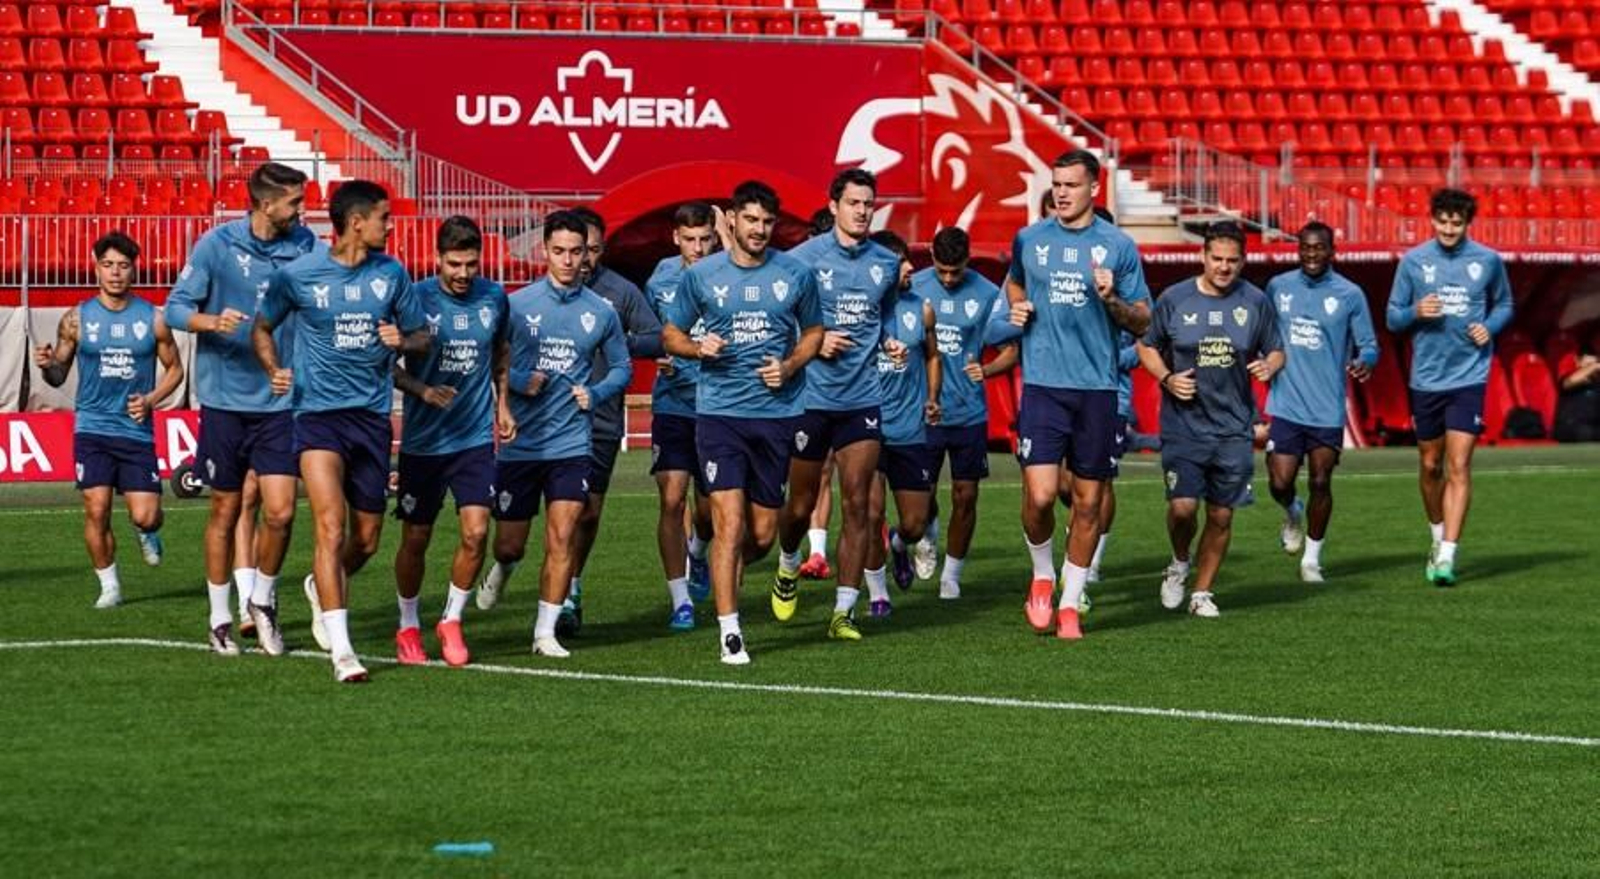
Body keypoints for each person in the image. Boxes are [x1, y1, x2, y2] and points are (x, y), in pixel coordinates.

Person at [252, 179, 428, 683]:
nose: (390, 226)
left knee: (366, 540)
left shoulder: (392, 274)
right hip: (316, 417)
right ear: (356, 222)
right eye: (384, 218)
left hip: (371, 419)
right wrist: (274, 369)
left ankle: (317, 585)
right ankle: (344, 653)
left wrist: (403, 340)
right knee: (329, 527)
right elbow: (262, 327)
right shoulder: (299, 275)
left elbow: (422, 336)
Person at [661, 179, 823, 665]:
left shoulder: (795, 274)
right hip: (719, 416)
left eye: (767, 221)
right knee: (729, 526)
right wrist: (697, 348)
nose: (759, 229)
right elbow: (671, 334)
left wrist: (790, 366)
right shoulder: (701, 276)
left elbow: (814, 331)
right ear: (730, 220)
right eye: (751, 219)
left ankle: (715, 562)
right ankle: (730, 633)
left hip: (776, 416)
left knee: (762, 535)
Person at [165, 161, 318, 656]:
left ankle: (263, 602)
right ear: (265, 204)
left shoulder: (306, 245)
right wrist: (210, 322)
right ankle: (219, 620)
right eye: (295, 202)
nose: (303, 210)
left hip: (280, 399)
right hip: (225, 401)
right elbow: (174, 308)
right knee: (226, 510)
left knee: (281, 511)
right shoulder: (216, 245)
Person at [999, 148, 1151, 639]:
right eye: (1057, 184)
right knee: (1041, 495)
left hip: (1097, 391)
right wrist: (1018, 309)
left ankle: (1069, 605)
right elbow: (1015, 284)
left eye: (1071, 185)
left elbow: (1142, 320)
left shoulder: (1118, 246)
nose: (1062, 193)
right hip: (1044, 385)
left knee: (1088, 504)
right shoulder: (1030, 238)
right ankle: (1043, 574)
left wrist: (1111, 299)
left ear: (1094, 188)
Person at [480, 210, 631, 659]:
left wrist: (596, 393)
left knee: (563, 536)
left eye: (576, 252)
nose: (568, 260)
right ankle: (503, 568)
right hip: (522, 443)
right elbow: (490, 359)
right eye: (559, 251)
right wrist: (516, 382)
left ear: (588, 255)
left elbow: (622, 366)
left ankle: (545, 632)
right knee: (510, 545)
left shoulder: (600, 312)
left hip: (571, 442)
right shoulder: (516, 304)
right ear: (544, 250)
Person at [774, 169, 905, 641]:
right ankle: (789, 561)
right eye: (854, 203)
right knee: (800, 505)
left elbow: (885, 312)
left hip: (862, 398)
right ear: (833, 207)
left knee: (859, 503)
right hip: (810, 398)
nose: (862, 211)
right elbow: (778, 317)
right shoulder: (801, 260)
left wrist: (890, 340)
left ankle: (843, 611)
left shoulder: (885, 263)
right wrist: (815, 340)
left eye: (868, 203)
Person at [1138, 222, 1283, 619]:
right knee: (1183, 508)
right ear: (1203, 256)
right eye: (1216, 259)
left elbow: (1276, 349)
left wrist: (1269, 365)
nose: (1223, 267)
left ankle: (1202, 592)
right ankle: (1179, 561)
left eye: (1231, 261)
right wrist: (1166, 378)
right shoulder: (1175, 298)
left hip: (1234, 427)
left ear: (1243, 261)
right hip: (1184, 424)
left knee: (1221, 514)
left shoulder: (1255, 302)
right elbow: (1147, 346)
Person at [34, 232, 182, 612]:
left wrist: (150, 400)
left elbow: (175, 370)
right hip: (92, 428)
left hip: (135, 431)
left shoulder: (154, 318)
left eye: (123, 266)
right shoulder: (76, 319)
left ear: (134, 270)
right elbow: (58, 374)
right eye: (108, 265)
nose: (115, 272)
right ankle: (109, 585)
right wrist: (48, 364)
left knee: (147, 516)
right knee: (96, 508)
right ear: (96, 268)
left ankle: (146, 531)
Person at [389, 216, 509, 667]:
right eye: (454, 264)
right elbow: (385, 362)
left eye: (471, 264)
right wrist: (422, 391)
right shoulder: (415, 298)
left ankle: (452, 619)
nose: (463, 273)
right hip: (424, 441)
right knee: (416, 537)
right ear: (438, 258)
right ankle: (407, 625)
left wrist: (503, 404)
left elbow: (500, 352)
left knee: (477, 533)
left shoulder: (494, 297)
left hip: (474, 438)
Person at [1385, 188, 1513, 587]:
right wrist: (1415, 311)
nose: (1449, 229)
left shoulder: (1487, 260)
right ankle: (1436, 536)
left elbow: (1505, 305)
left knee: (1459, 465)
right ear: (1432, 220)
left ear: (1467, 223)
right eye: (1442, 221)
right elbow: (1392, 318)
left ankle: (1447, 556)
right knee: (1430, 465)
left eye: (1456, 223)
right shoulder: (1414, 261)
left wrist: (1489, 327)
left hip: (1469, 376)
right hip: (1426, 378)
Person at [554, 206, 663, 637]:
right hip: (550, 421)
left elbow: (655, 336)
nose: (584, 259)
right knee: (552, 516)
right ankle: (516, 571)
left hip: (600, 419)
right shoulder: (542, 296)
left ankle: (570, 589)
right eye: (578, 250)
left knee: (587, 513)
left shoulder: (620, 292)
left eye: (594, 250)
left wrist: (617, 339)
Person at [1263, 222, 1379, 582]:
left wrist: (1365, 361)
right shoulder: (1278, 286)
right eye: (1306, 247)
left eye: (1319, 248)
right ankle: (1292, 512)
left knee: (1320, 481)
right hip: (1286, 403)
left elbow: (1369, 345)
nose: (1311, 254)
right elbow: (1264, 333)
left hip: (1327, 408)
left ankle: (1311, 561)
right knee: (1279, 482)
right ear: (1298, 249)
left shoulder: (1350, 294)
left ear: (1332, 251)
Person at [910, 227, 1011, 600]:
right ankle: (927, 531)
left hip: (969, 412)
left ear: (968, 260)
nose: (949, 278)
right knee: (921, 497)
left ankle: (951, 575)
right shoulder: (914, 287)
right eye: (942, 270)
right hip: (924, 411)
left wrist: (987, 369)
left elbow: (1012, 349)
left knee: (966, 495)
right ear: (931, 259)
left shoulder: (988, 294)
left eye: (956, 271)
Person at [644, 202, 718, 630]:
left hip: (717, 405)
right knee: (672, 499)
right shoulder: (660, 279)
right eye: (689, 239)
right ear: (676, 238)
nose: (698, 248)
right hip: (672, 402)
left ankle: (699, 552)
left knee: (708, 512)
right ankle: (680, 601)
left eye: (705, 238)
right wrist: (658, 352)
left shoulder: (728, 274)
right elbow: (649, 332)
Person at [862, 230, 940, 617]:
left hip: (909, 429)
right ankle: (878, 594)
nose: (910, 267)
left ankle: (898, 544)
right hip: (868, 427)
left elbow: (933, 355)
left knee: (914, 524)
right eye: (900, 263)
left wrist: (932, 397)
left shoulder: (921, 309)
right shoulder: (862, 311)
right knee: (870, 513)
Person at [1056, 329, 1137, 598]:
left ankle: (1089, 562)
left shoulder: (1127, 302)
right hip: (1063, 395)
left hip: (1110, 399)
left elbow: (1146, 346)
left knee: (1100, 482)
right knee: (1063, 485)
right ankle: (1077, 552)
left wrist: (1105, 358)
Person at [1553, 326, 1600, 442]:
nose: (1591, 370)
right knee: (1585, 432)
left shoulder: (1597, 385)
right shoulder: (1569, 377)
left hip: (1592, 428)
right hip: (1569, 428)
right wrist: (1595, 366)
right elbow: (1569, 382)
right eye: (1587, 365)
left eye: (1593, 364)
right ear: (1578, 362)